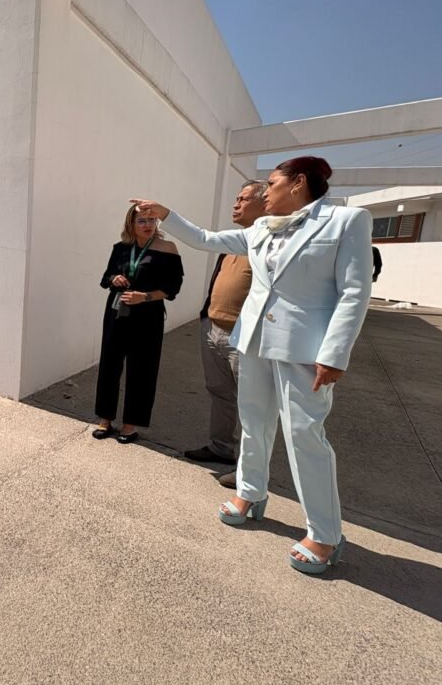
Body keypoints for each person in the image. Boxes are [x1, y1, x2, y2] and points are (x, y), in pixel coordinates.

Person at [134, 156, 372, 574]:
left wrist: (335, 354)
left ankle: (325, 534)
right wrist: (166, 214)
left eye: (272, 183)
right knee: (253, 422)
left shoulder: (345, 221)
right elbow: (206, 238)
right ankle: (251, 492)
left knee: (304, 436)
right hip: (254, 341)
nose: (265, 192)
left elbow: (354, 291)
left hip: (304, 350)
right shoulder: (261, 228)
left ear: (298, 183)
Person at [183, 181, 267, 488]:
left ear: (264, 203)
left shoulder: (267, 245)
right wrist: (206, 315)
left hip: (244, 337)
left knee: (251, 404)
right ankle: (222, 448)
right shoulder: (233, 242)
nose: (236, 204)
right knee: (219, 392)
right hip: (213, 329)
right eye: (236, 198)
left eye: (243, 199)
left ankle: (249, 470)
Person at [93, 205, 184, 444]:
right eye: (142, 221)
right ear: (131, 224)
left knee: (142, 368)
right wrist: (114, 278)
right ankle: (105, 419)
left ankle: (130, 425)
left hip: (148, 315)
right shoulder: (121, 248)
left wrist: (143, 297)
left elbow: (173, 287)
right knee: (109, 365)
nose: (148, 225)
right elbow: (105, 278)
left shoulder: (168, 249)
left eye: (152, 220)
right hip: (117, 312)